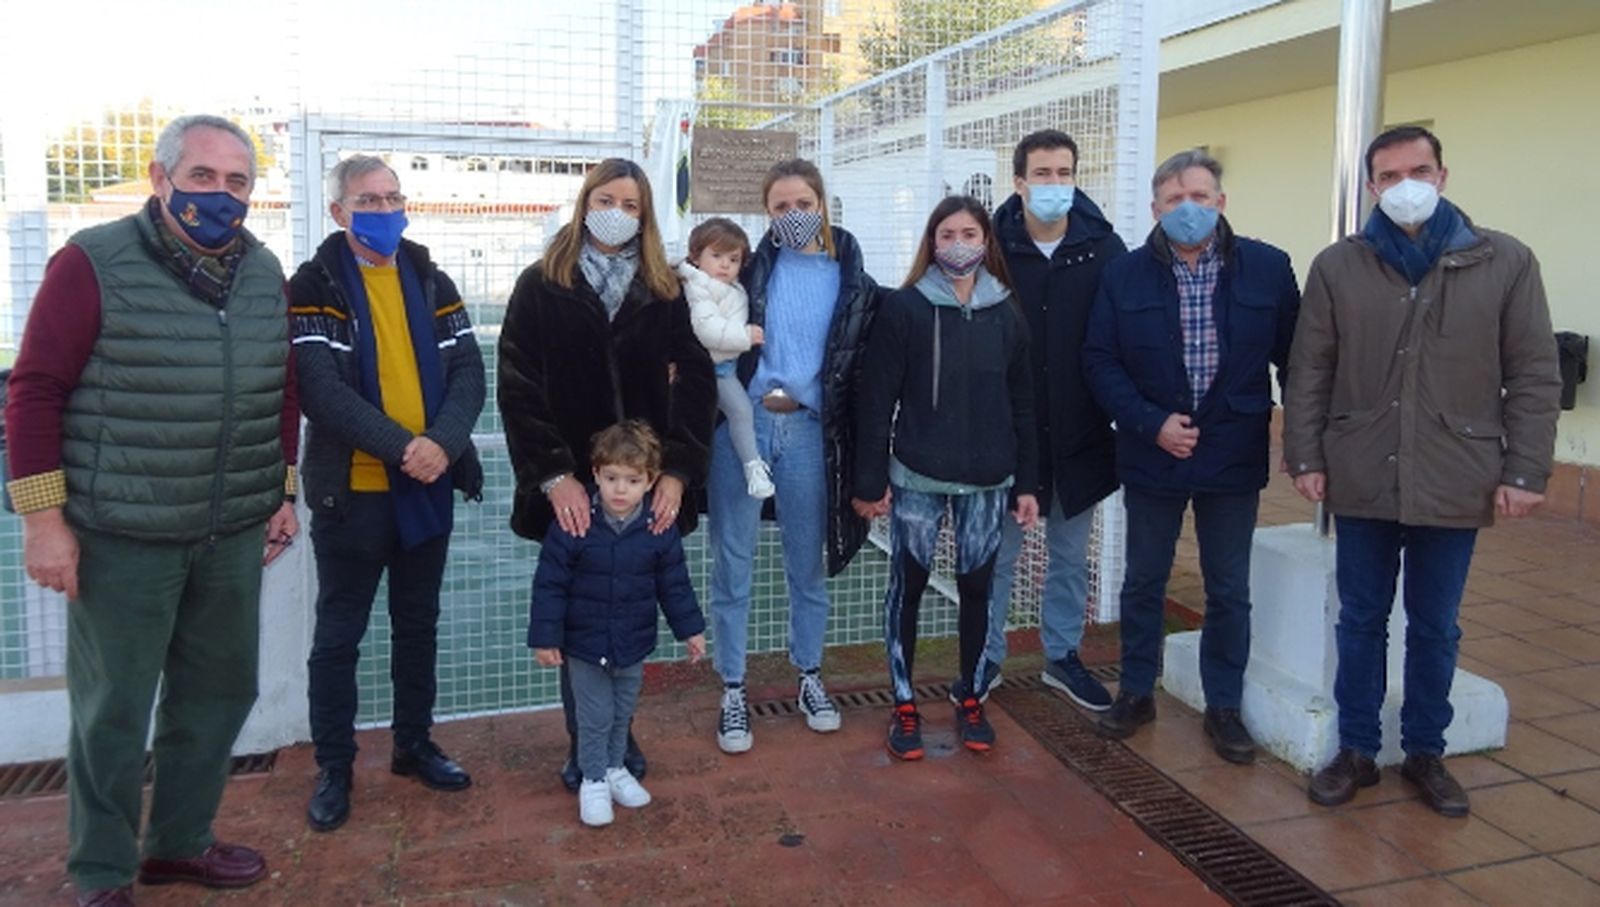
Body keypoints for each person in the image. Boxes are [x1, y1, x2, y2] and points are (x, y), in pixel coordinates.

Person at [5, 114, 299, 907]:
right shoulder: (92, 262)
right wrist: (42, 519)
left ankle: (178, 842)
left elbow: (282, 387)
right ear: (159, 176)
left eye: (237, 181)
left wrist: (283, 489)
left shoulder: (263, 270)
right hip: (123, 534)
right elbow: (33, 389)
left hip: (231, 529)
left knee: (217, 693)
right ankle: (100, 869)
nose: (221, 194)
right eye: (202, 176)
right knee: (113, 709)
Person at [1286, 126, 1561, 817]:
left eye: (1419, 168)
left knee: (1436, 623)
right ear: (1371, 186)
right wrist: (1306, 455)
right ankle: (1356, 749)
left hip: (1454, 470)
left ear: (1442, 174)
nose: (1405, 182)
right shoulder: (1338, 266)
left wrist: (1526, 468)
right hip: (1362, 471)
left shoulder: (1505, 261)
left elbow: (1533, 371)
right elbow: (1310, 369)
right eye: (1389, 173)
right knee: (1361, 619)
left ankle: (1426, 751)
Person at [498, 157, 716, 792]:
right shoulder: (541, 284)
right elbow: (517, 387)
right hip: (574, 485)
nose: (617, 212)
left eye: (631, 204)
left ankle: (614, 736)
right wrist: (555, 476)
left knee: (630, 610)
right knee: (579, 617)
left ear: (644, 216)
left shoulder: (665, 288)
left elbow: (697, 381)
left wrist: (676, 472)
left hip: (643, 485)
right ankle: (587, 747)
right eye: (607, 198)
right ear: (585, 199)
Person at [290, 154, 487, 833]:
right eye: (368, 199)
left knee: (418, 625)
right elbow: (321, 389)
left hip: (427, 488)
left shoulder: (430, 279)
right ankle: (335, 766)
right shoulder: (314, 285)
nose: (385, 208)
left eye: (394, 196)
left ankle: (413, 744)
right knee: (339, 634)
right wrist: (408, 447)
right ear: (339, 211)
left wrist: (445, 441)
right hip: (354, 494)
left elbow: (468, 369)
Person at [1083, 148, 1300, 764]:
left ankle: (1224, 706)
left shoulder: (1267, 268)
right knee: (1144, 578)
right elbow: (1099, 359)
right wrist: (1151, 424)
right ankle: (1134, 691)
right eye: (1175, 200)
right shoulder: (1123, 276)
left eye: (1200, 197)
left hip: (1232, 454)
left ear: (1221, 203)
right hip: (1154, 452)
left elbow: (1298, 360)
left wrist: (1306, 442)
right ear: (1155, 209)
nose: (1188, 209)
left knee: (1229, 586)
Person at [706, 158, 882, 755]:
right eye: (780, 207)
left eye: (802, 204)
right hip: (743, 430)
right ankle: (732, 686)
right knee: (733, 561)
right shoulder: (749, 271)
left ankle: (809, 674)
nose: (793, 215)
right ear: (767, 213)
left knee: (807, 563)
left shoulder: (850, 277)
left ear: (822, 205)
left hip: (808, 432)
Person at [853, 196, 1039, 759]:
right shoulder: (905, 308)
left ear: (986, 241)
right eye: (947, 234)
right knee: (906, 588)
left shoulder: (1007, 312)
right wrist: (868, 479)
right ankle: (905, 702)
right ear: (932, 242)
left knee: (978, 589)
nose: (959, 244)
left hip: (988, 480)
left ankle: (971, 695)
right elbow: (876, 397)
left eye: (969, 233)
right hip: (916, 477)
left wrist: (1027, 481)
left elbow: (1024, 403)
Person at [978, 129, 1127, 710]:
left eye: (1064, 173)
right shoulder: (990, 247)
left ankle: (1062, 657)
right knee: (997, 559)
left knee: (1069, 559)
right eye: (1042, 174)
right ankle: (986, 659)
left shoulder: (1104, 249)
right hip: (1007, 439)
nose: (1054, 184)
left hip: (1079, 435)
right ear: (1019, 182)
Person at [529, 421, 707, 827]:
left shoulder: (658, 530)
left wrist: (690, 630)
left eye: (631, 480)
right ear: (595, 475)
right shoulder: (574, 524)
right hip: (585, 643)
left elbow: (674, 584)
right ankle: (592, 781)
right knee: (594, 715)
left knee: (623, 710)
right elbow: (550, 583)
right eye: (611, 478)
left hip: (633, 640)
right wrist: (545, 637)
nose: (620, 490)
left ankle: (613, 768)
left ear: (650, 482)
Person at [678, 217, 773, 499]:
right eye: (716, 256)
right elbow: (706, 330)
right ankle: (753, 468)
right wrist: (745, 337)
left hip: (725, 366)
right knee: (741, 411)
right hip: (713, 369)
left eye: (733, 259)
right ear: (696, 257)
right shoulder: (699, 287)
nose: (724, 265)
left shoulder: (728, 287)